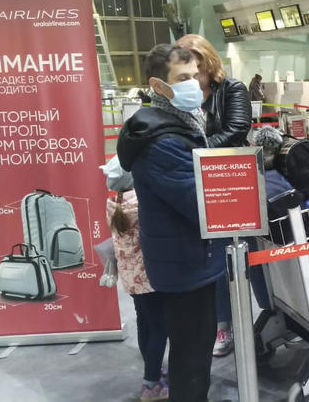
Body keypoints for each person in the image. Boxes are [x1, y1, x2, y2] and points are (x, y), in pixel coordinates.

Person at [117, 44, 225, 402]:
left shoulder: (175, 124)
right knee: (192, 351)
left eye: (196, 76)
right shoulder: (160, 140)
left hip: (186, 256)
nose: (194, 83)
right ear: (158, 86)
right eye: (183, 78)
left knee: (191, 346)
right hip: (184, 259)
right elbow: (200, 203)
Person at [176, 33, 252, 357]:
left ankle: (268, 317)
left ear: (207, 58)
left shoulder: (232, 89)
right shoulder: (182, 95)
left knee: (248, 257)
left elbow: (237, 129)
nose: (189, 63)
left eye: (193, 56)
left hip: (234, 180)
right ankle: (223, 323)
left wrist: (196, 153)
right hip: (197, 185)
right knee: (214, 258)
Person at [102, 156, 169, 402]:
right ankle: (151, 384)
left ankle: (152, 371)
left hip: (130, 279)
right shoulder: (143, 204)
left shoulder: (114, 204)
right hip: (150, 277)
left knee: (145, 324)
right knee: (160, 328)